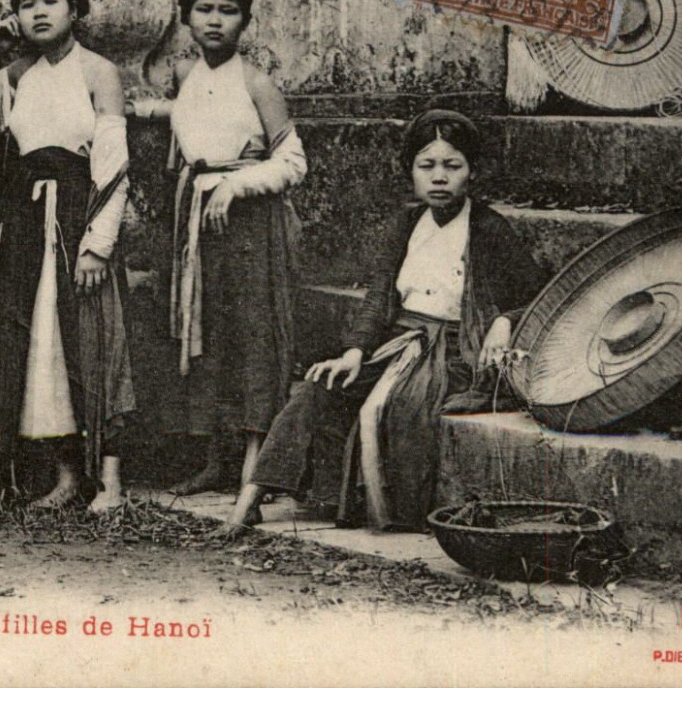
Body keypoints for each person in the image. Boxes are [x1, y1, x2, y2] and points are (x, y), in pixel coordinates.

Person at [220, 109, 546, 533]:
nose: (439, 178)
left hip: (453, 350)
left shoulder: (489, 229)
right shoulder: (406, 224)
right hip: (398, 340)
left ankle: (380, 506)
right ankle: (250, 497)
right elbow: (378, 299)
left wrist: (503, 321)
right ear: (410, 172)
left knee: (405, 405)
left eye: (453, 166)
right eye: (426, 166)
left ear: (472, 172)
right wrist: (354, 352)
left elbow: (535, 299)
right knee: (321, 385)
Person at [0, 0, 135, 512]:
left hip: (79, 221)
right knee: (37, 350)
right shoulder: (14, 77)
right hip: (26, 224)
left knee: (92, 341)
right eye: (27, 4)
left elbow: (114, 164)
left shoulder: (98, 72)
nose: (38, 12)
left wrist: (97, 245)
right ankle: (63, 477)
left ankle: (111, 481)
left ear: (75, 9)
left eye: (50, 0)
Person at [134, 0, 306, 495]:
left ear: (244, 20)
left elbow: (294, 160)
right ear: (186, 17)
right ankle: (214, 458)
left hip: (250, 225)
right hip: (196, 224)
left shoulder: (258, 83)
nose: (215, 21)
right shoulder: (186, 75)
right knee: (202, 337)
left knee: (251, 338)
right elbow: (195, 116)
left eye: (228, 11)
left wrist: (238, 185)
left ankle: (257, 462)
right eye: (204, 10)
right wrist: (135, 111)